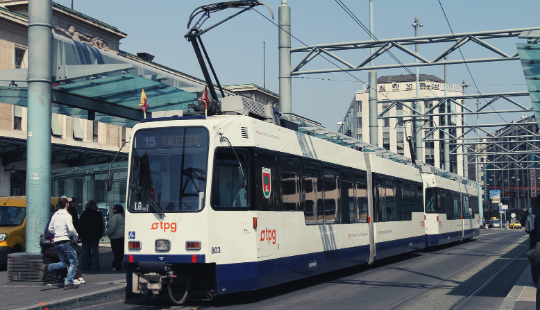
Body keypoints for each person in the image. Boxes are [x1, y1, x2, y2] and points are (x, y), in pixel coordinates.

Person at [41, 196, 79, 289]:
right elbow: (71, 228)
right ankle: (69, 282)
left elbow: (50, 229)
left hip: (57, 242)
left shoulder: (55, 215)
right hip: (65, 241)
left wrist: (57, 233)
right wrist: (76, 236)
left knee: (64, 262)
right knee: (74, 262)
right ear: (67, 204)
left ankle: (48, 267)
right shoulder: (67, 215)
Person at [77, 200, 104, 272]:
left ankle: (84, 267)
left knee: (84, 251)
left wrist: (79, 235)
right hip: (95, 235)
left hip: (85, 235)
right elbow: (101, 225)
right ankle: (95, 267)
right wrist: (100, 234)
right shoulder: (98, 214)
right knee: (95, 251)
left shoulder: (83, 214)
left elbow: (80, 226)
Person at [520, 195, 540, 286]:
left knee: (535, 259)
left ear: (536, 201)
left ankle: (536, 281)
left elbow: (522, 222)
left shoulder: (531, 211)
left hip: (534, 238)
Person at [105, 204, 125, 271]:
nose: (112, 210)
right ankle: (121, 264)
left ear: (116, 210)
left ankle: (117, 266)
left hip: (115, 237)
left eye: (113, 208)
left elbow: (112, 228)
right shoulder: (123, 217)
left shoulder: (114, 217)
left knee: (116, 252)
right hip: (122, 236)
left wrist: (106, 233)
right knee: (121, 252)